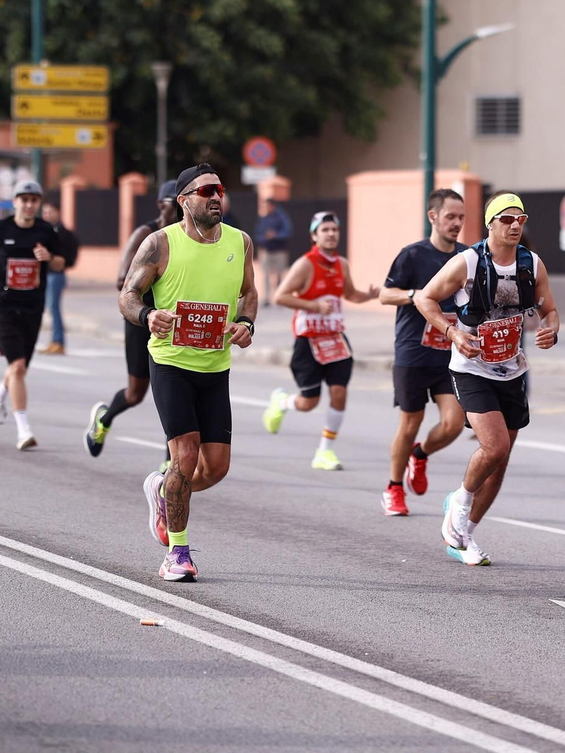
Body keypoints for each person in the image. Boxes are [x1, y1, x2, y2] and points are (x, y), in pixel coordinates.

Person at [119, 164, 257, 582]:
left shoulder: (240, 242)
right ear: (184, 201)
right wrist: (147, 315)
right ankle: (177, 553)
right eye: (206, 191)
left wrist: (246, 324)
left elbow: (248, 292)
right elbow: (128, 294)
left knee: (215, 468)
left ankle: (163, 489)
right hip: (171, 363)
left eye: (220, 190)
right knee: (186, 454)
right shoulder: (159, 244)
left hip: (216, 366)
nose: (216, 197)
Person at [416, 192, 560, 566]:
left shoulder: (532, 264)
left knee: (502, 458)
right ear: (490, 223)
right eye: (507, 219)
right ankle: (459, 505)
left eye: (520, 220)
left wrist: (550, 329)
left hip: (512, 369)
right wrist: (453, 334)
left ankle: (465, 534)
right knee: (493, 447)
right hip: (471, 368)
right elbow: (425, 299)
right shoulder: (468, 261)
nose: (515, 226)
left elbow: (550, 309)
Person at [376, 189, 467, 516]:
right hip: (413, 352)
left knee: (454, 423)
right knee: (410, 422)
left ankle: (421, 454)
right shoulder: (412, 255)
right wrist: (417, 295)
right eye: (450, 217)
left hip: (450, 354)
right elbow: (385, 295)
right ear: (433, 217)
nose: (456, 223)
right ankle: (394, 487)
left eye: (461, 217)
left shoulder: (467, 256)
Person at [263, 211, 377, 469]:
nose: (330, 234)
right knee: (308, 402)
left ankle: (324, 451)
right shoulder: (305, 264)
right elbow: (281, 296)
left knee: (339, 392)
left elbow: (350, 294)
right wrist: (313, 305)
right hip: (308, 340)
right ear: (314, 236)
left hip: (335, 339)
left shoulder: (342, 264)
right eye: (324, 230)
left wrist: (368, 296)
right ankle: (282, 402)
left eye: (334, 230)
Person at [86, 181, 181, 457]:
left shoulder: (189, 238)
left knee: (173, 394)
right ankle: (103, 420)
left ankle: (169, 464)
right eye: (171, 204)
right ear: (160, 205)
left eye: (181, 205)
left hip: (173, 323)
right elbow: (122, 281)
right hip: (142, 321)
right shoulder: (146, 234)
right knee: (135, 393)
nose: (176, 211)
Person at [0, 181, 65, 449]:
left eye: (33, 200)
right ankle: (23, 430)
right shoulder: (0, 228)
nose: (28, 204)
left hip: (33, 307)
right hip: (2, 305)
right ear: (15, 202)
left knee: (20, 367)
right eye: (23, 199)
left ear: (38, 204)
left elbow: (61, 262)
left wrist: (47, 256)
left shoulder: (46, 231)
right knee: (18, 366)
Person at [38, 202, 78, 355]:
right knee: (50, 308)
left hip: (56, 275)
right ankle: (54, 340)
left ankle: (58, 341)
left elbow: (70, 256)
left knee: (54, 308)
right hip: (45, 274)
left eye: (50, 212)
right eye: (45, 212)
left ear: (58, 213)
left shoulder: (63, 233)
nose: (47, 215)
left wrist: (56, 261)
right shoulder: (45, 231)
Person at [256, 202, 293, 305]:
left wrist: (275, 236)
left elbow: (287, 232)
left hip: (279, 250)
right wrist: (264, 239)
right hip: (267, 250)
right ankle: (267, 298)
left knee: (279, 275)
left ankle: (278, 297)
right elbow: (258, 233)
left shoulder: (281, 217)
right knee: (266, 275)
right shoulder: (264, 219)